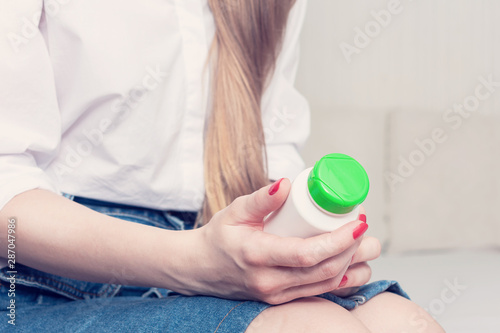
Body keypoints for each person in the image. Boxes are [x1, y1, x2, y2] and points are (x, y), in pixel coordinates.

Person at [0, 0, 444, 332]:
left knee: (404, 322)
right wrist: (193, 260)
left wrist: (298, 257)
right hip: (35, 284)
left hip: (212, 248)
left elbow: (272, 149)